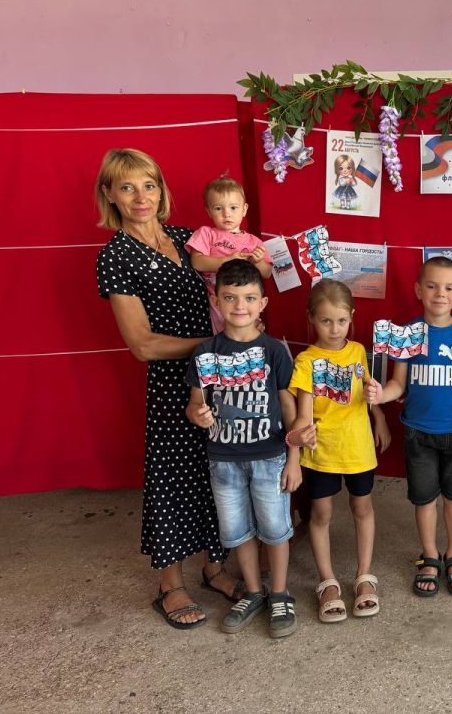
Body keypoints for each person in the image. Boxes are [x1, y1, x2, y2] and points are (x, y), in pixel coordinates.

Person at [94, 148, 243, 629]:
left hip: (218, 375)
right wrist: (216, 344)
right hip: (173, 379)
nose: (141, 196)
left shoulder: (186, 239)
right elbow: (141, 344)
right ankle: (170, 583)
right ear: (110, 196)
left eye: (149, 184)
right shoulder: (115, 256)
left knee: (217, 470)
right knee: (172, 477)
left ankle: (214, 566)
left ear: (162, 189)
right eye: (127, 187)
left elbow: (239, 275)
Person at [185, 260, 301, 637]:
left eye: (249, 298)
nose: (240, 306)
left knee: (275, 529)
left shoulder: (274, 351)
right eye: (231, 297)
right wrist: (198, 415)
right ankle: (253, 591)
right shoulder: (206, 353)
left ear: (263, 303)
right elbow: (195, 403)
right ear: (216, 301)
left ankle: (280, 592)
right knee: (238, 532)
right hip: (224, 461)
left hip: (269, 457)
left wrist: (294, 458)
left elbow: (289, 407)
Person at [364, 256, 452, 596]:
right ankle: (430, 555)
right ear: (418, 290)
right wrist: (380, 394)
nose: (440, 294)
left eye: (448, 288)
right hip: (417, 432)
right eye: (431, 286)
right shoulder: (407, 334)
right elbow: (398, 385)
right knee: (424, 499)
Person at [286, 279, 391, 622]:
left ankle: (364, 576)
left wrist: (380, 416)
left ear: (352, 318)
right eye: (326, 321)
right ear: (311, 321)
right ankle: (327, 582)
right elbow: (302, 414)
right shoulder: (305, 361)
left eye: (341, 320)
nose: (334, 328)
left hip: (358, 448)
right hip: (322, 453)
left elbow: (366, 393)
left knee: (363, 507)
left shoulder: (359, 351)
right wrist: (298, 446)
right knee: (321, 516)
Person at [185, 177, 272, 333]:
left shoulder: (254, 241)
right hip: (218, 298)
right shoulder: (206, 233)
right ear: (209, 211)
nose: (227, 214)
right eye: (218, 208)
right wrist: (227, 260)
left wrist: (258, 261)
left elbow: (267, 273)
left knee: (248, 334)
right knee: (222, 336)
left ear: (244, 209)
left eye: (233, 208)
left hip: (247, 299)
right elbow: (197, 262)